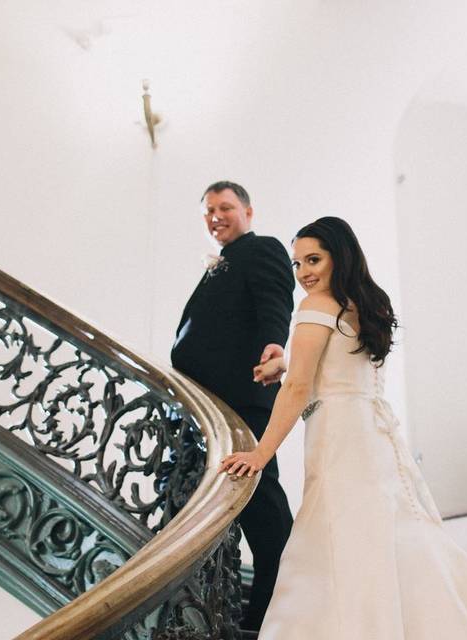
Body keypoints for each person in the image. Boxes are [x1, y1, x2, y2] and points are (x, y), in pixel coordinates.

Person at [220, 217, 467, 639]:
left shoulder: (315, 305)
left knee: (338, 544)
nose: (304, 272)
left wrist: (261, 453)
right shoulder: (364, 307)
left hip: (338, 437)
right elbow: (338, 367)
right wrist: (285, 362)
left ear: (338, 255)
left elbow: (297, 389)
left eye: (314, 259)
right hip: (374, 435)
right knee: (388, 540)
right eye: (296, 264)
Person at [171, 181, 295, 632]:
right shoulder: (219, 264)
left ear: (248, 210)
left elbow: (274, 300)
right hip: (206, 409)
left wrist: (272, 344)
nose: (215, 215)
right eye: (208, 210)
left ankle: (272, 607)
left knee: (261, 499)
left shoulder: (261, 249)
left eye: (225, 207)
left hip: (239, 402)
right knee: (231, 504)